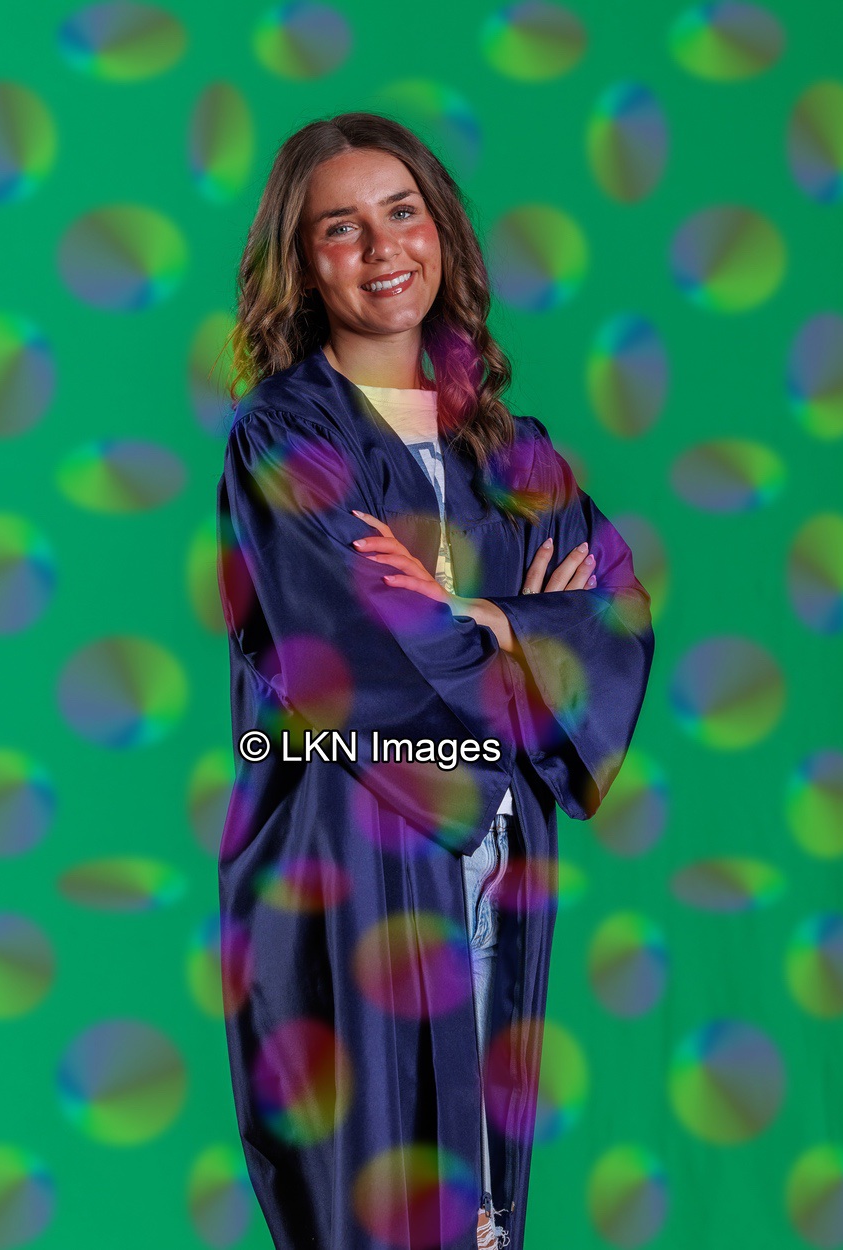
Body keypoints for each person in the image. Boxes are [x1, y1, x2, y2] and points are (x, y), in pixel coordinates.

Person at [215, 111, 655, 1250]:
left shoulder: (511, 450)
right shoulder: (284, 442)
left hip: (500, 862)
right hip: (352, 859)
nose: (382, 249)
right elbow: (351, 656)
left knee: (484, 1205)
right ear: (302, 263)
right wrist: (525, 647)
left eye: (402, 212)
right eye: (340, 228)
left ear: (443, 230)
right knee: (374, 1192)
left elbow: (610, 620)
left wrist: (489, 617)